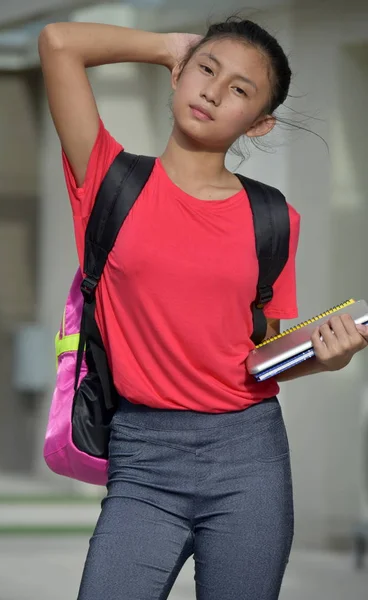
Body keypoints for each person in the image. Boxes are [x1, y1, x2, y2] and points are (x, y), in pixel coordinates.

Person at [38, 16, 368, 600]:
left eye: (240, 89)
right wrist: (167, 46)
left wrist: (327, 359)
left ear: (260, 123)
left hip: (250, 460)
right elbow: (59, 43)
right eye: (206, 71)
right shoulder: (108, 178)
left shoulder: (273, 218)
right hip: (142, 458)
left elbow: (261, 358)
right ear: (179, 75)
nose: (213, 91)